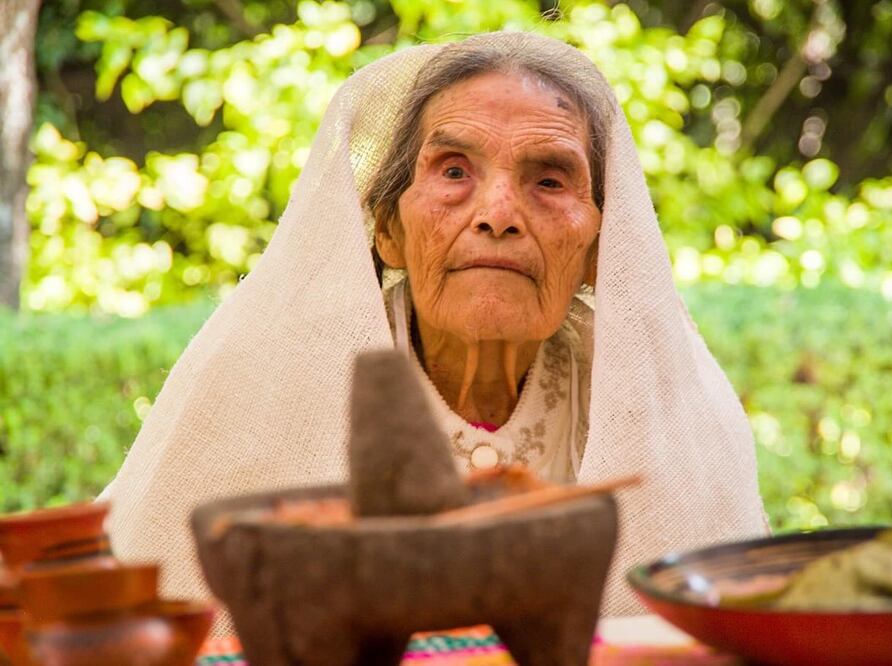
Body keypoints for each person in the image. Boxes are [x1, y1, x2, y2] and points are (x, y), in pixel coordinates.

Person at [99, 31, 769, 622]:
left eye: (549, 180)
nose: (498, 212)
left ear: (602, 247)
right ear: (387, 228)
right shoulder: (265, 382)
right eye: (452, 171)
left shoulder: (662, 410)